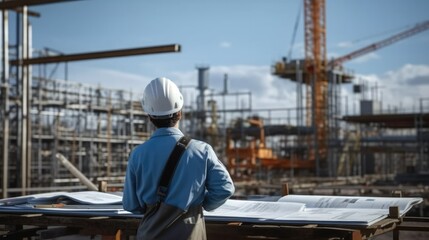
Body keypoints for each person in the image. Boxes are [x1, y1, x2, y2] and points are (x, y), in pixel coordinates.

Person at [123, 77, 235, 240]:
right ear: (180, 113)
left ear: (150, 117)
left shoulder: (138, 154)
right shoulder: (202, 150)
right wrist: (201, 204)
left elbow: (131, 205)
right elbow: (225, 188)